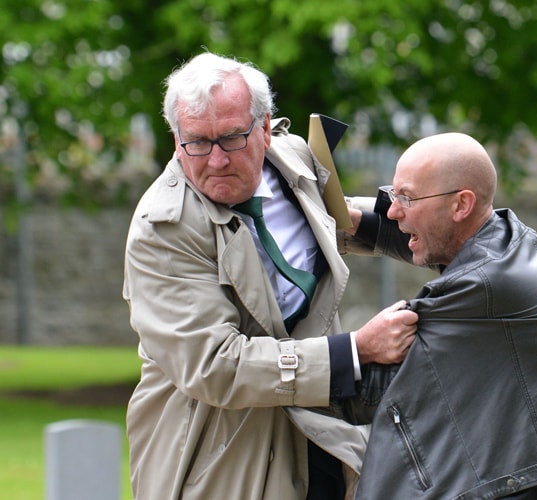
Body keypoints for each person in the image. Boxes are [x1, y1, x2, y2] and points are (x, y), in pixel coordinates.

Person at [122, 51, 418, 500]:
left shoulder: (292, 158)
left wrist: (432, 233)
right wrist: (355, 352)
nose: (216, 160)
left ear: (264, 129)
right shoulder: (162, 230)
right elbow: (216, 366)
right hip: (220, 451)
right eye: (196, 142)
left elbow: (334, 220)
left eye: (231, 138)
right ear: (176, 138)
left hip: (320, 432)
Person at [340, 132, 537, 499]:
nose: (394, 211)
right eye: (393, 196)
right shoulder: (510, 242)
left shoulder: (480, 286)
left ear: (461, 205)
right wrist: (352, 220)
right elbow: (434, 242)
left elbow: (372, 383)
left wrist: (350, 349)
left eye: (407, 198)